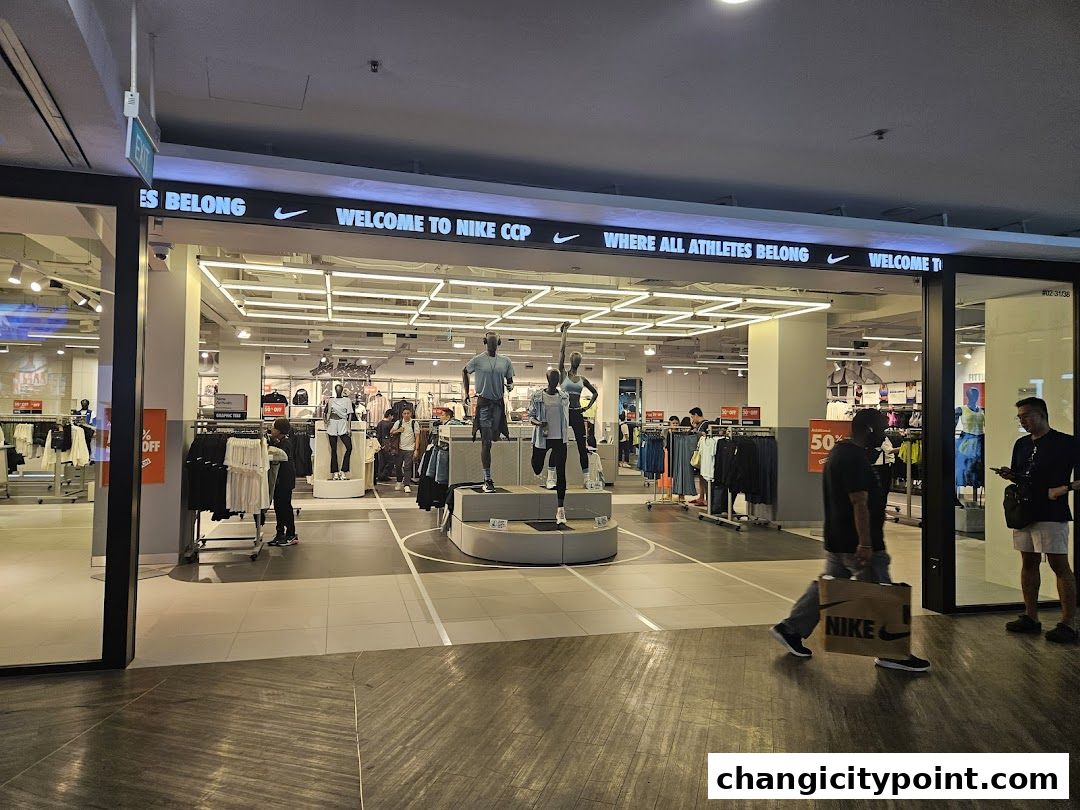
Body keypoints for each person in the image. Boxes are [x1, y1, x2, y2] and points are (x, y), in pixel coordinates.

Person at [770, 408, 930, 672]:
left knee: (830, 586)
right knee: (881, 592)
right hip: (857, 541)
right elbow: (859, 502)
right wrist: (866, 543)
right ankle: (892, 651)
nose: (884, 435)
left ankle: (791, 629)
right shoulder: (854, 457)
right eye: (881, 429)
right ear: (868, 429)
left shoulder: (839, 451)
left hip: (838, 536)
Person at [992, 397, 1078, 643]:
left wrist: (1063, 489)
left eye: (1027, 416)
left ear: (1041, 414)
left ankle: (1068, 622)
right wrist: (1011, 476)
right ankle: (1031, 616)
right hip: (1024, 511)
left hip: (1051, 512)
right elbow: (1022, 476)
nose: (1023, 421)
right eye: (1020, 417)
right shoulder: (1021, 444)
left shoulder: (1065, 443)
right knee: (1028, 562)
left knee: (1059, 565)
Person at [463, 330, 514, 493]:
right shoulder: (478, 360)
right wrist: (466, 393)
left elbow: (510, 380)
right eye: (489, 342)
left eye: (495, 342)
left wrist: (510, 386)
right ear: (485, 342)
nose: (492, 345)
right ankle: (487, 478)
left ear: (498, 343)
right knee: (486, 441)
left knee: (493, 438)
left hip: (498, 404)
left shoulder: (505, 361)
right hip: (484, 404)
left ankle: (488, 476)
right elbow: (465, 371)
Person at [529, 369, 571, 524]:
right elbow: (531, 417)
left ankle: (560, 509)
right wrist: (539, 423)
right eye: (552, 378)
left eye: (556, 378)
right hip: (542, 438)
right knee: (537, 468)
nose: (554, 381)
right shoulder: (537, 396)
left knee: (561, 473)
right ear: (547, 379)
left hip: (560, 439)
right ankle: (539, 461)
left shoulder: (564, 397)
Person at [267, 418, 298, 546]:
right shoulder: (279, 442)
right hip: (279, 480)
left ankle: (291, 534)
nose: (271, 430)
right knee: (279, 507)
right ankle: (280, 533)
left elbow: (280, 458)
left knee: (285, 506)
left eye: (273, 428)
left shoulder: (285, 444)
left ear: (279, 431)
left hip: (285, 479)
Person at [390, 406, 418, 494]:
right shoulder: (398, 422)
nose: (406, 415)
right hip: (399, 448)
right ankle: (399, 481)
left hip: (410, 448)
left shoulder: (414, 423)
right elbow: (391, 432)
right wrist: (398, 430)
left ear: (411, 414)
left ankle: (406, 485)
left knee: (407, 467)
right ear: (402, 414)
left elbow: (417, 437)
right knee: (398, 466)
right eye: (404, 413)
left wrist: (416, 449)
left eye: (408, 413)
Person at [688, 407, 708, 507]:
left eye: (692, 416)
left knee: (704, 477)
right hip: (701, 453)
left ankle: (706, 499)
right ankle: (701, 497)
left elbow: (700, 437)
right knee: (701, 477)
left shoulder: (705, 424)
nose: (692, 419)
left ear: (696, 415)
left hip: (704, 454)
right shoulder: (700, 425)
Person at [375, 409, 396, 482]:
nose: (392, 418)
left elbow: (378, 435)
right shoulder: (389, 424)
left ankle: (381, 475)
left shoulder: (380, 423)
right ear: (390, 415)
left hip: (380, 444)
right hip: (387, 444)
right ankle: (384, 475)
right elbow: (392, 435)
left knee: (382, 461)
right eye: (392, 416)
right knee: (391, 461)